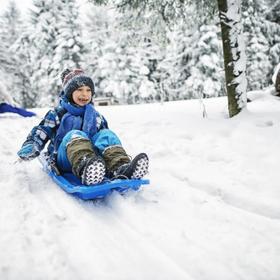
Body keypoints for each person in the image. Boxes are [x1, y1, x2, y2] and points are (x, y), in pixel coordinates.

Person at [17, 69, 149, 185]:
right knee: (74, 134)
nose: (84, 94)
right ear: (69, 93)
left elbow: (103, 140)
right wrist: (31, 145)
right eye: (79, 90)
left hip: (95, 161)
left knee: (106, 134)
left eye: (88, 90)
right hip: (64, 159)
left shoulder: (95, 116)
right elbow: (41, 131)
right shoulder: (57, 114)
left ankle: (121, 167)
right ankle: (86, 168)